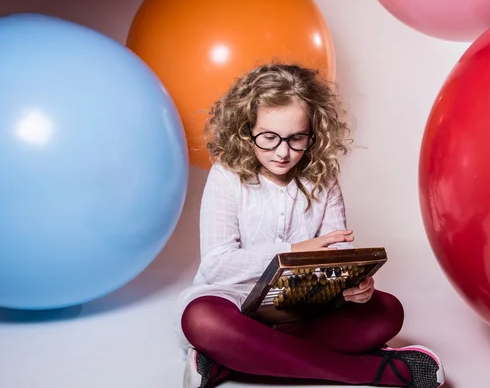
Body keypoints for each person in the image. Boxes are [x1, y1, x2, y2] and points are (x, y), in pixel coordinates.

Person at [172, 63, 445, 388]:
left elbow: (337, 254)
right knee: (200, 320)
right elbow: (217, 265)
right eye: (269, 138)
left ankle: (228, 362)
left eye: (296, 138)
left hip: (300, 310)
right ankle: (376, 372)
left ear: (313, 134)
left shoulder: (323, 179)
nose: (283, 152)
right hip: (234, 306)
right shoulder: (227, 176)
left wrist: (354, 287)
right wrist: (292, 252)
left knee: (387, 310)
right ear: (247, 129)